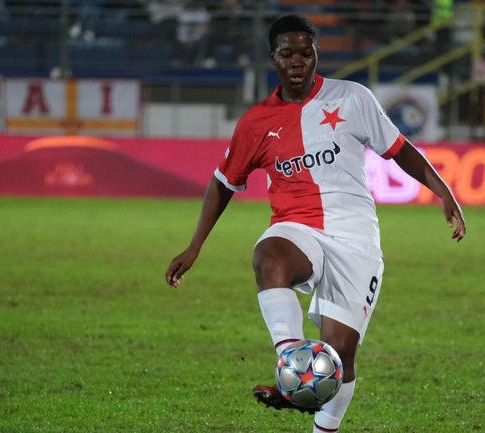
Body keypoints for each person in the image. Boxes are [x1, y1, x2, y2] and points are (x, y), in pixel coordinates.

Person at [164, 14, 466, 433]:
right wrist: (194, 246)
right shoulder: (256, 123)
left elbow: (400, 149)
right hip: (297, 226)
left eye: (306, 53)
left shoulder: (352, 98)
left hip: (356, 236)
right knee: (269, 255)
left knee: (341, 357)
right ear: (274, 57)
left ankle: (322, 427)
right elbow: (223, 184)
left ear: (316, 55)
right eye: (287, 53)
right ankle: (291, 368)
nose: (297, 61)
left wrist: (443, 191)